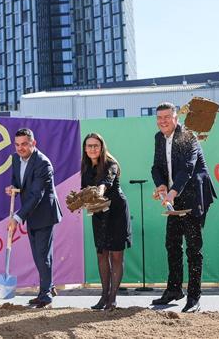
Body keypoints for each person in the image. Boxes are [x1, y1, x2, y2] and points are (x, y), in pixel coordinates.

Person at [150, 102, 217, 313]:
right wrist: (161, 185)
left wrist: (172, 192)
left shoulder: (188, 136)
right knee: (172, 243)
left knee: (193, 248)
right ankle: (174, 290)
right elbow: (157, 166)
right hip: (174, 196)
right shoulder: (159, 138)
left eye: (167, 117)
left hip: (193, 194)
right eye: (159, 118)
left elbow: (188, 168)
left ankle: (194, 297)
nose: (162, 121)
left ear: (176, 118)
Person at [6, 128, 62, 309]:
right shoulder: (15, 158)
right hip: (30, 213)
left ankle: (45, 295)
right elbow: (17, 180)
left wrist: (17, 217)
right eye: (17, 144)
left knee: (42, 255)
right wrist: (13, 187)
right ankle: (48, 287)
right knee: (39, 255)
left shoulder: (43, 164)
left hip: (44, 213)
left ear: (33, 143)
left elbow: (37, 195)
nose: (20, 148)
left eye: (24, 144)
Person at [81, 132, 132, 310]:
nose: (92, 149)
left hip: (116, 211)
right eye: (89, 146)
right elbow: (84, 189)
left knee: (116, 255)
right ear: (85, 149)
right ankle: (103, 296)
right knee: (101, 254)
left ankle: (112, 298)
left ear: (102, 147)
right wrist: (79, 201)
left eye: (96, 145)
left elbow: (106, 181)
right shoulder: (85, 166)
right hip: (99, 212)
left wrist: (99, 192)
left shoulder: (111, 164)